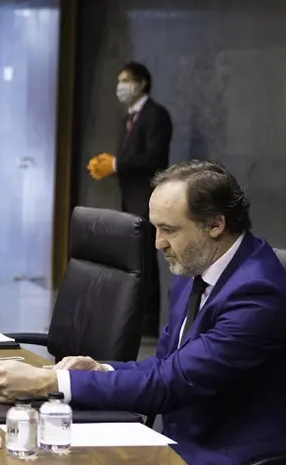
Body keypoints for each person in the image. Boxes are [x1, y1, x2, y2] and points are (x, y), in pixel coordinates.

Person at [0, 160, 286, 465]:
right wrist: (101, 371)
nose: (158, 243)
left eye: (169, 230)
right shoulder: (196, 269)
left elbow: (171, 381)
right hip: (189, 445)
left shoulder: (258, 295)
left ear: (215, 225)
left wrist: (50, 382)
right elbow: (167, 364)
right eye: (155, 228)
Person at [88, 61, 173, 334]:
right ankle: (134, 316)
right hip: (130, 197)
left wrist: (117, 165)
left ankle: (148, 320)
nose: (120, 87)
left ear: (141, 83)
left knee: (147, 258)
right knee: (135, 257)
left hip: (148, 197)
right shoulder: (129, 117)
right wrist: (113, 166)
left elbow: (154, 158)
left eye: (125, 80)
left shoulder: (156, 115)